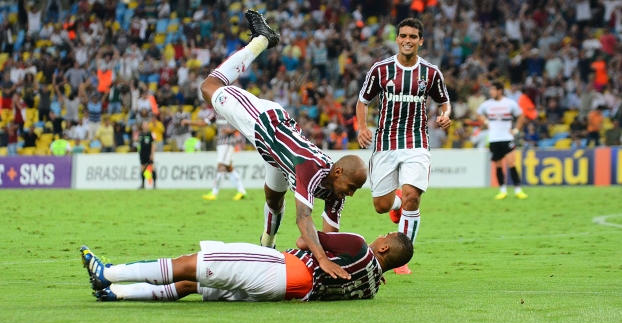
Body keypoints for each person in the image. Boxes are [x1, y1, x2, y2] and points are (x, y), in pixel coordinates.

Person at [199, 10, 368, 280]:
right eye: (351, 187)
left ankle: (266, 248)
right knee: (209, 85)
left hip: (276, 156)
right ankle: (261, 41)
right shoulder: (311, 169)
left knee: (273, 199)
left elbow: (326, 236)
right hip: (266, 123)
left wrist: (351, 263)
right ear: (338, 173)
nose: (351, 194)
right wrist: (321, 260)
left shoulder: (336, 192)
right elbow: (303, 219)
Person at [356, 18, 452, 274]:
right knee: (381, 206)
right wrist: (362, 127)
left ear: (421, 40)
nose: (408, 40)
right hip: (386, 142)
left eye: (413, 36)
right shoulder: (380, 70)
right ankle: (396, 204)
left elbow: (445, 101)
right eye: (403, 36)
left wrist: (445, 115)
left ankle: (401, 257)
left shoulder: (431, 73)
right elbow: (363, 100)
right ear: (397, 39)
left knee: (413, 197)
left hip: (416, 141)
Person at [79, 231, 414, 302]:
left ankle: (107, 273)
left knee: (191, 266)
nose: (378, 235)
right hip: (288, 293)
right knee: (194, 286)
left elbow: (305, 240)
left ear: (384, 246)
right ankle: (117, 293)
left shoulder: (358, 245)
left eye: (383, 235)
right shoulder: (371, 287)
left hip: (285, 268)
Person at [476, 81, 528, 200]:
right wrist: (485, 122)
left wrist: (516, 130)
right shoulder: (487, 104)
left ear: (500, 90)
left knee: (511, 163)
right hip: (494, 138)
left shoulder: (510, 103)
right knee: (498, 165)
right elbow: (478, 114)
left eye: (493, 90)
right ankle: (502, 190)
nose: (491, 92)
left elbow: (521, 115)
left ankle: (518, 189)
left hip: (506, 137)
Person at [182, 108, 248, 201]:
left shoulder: (230, 111)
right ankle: (242, 191)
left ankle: (214, 192)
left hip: (228, 142)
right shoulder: (216, 113)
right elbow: (204, 123)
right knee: (229, 168)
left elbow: (241, 123)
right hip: (221, 143)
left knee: (221, 165)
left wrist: (231, 131)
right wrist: (189, 122)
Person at [137, 121, 157, 189]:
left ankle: (154, 185)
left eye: (146, 124)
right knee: (142, 169)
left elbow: (153, 144)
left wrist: (152, 153)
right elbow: (139, 144)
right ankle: (143, 184)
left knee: (151, 168)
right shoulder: (140, 134)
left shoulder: (151, 134)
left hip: (148, 153)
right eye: (144, 125)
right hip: (142, 154)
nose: (145, 126)